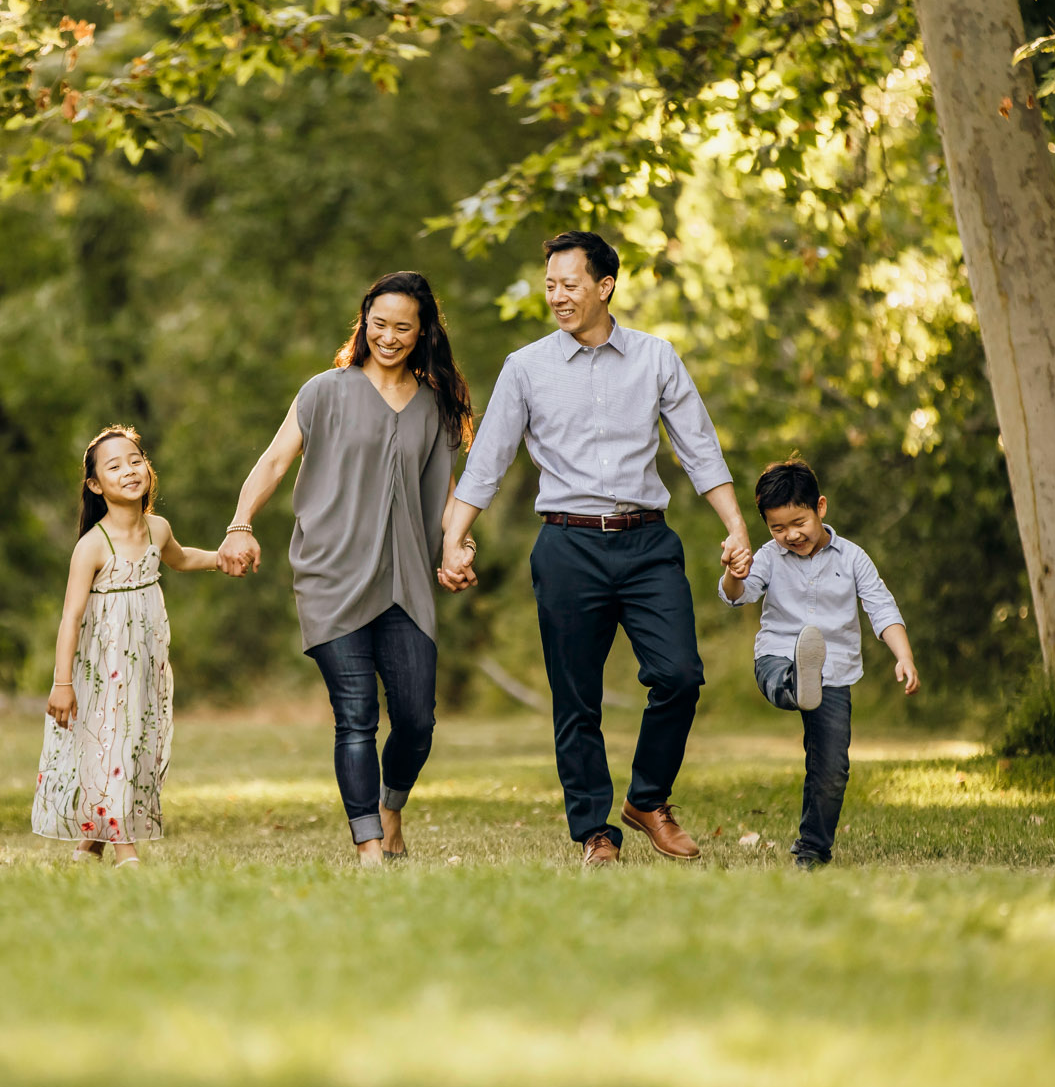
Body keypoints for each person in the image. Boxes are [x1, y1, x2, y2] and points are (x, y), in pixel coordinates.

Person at [438, 231, 754, 867]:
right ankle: (595, 832)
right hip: (566, 546)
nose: (557, 296)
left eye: (569, 284)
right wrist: (454, 536)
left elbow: (698, 447)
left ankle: (647, 801)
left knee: (679, 675)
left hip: (647, 543)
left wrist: (736, 526)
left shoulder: (656, 357)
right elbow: (488, 460)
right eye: (550, 284)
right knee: (575, 696)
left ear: (605, 286)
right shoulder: (526, 367)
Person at [218, 272, 474, 867]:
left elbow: (445, 494)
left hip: (406, 582)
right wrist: (240, 523)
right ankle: (368, 849)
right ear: (365, 323)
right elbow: (275, 461)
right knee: (355, 715)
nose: (388, 337)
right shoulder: (324, 392)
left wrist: (458, 547)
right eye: (378, 324)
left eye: (402, 327)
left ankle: (390, 807)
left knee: (416, 719)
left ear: (422, 331)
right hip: (330, 576)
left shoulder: (434, 405)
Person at [34, 426, 223, 867]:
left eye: (135, 460)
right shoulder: (92, 547)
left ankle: (91, 845)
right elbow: (71, 618)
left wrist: (221, 559)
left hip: (145, 664)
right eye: (114, 466)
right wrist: (63, 683)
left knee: (135, 743)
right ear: (96, 485)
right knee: (110, 742)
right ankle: (125, 852)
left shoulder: (157, 528)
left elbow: (180, 558)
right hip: (104, 666)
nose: (129, 471)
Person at [721, 457, 920, 871]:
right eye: (778, 528)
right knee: (781, 678)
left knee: (831, 770)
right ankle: (796, 681)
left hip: (833, 674)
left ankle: (811, 852)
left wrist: (903, 655)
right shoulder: (769, 557)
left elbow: (881, 608)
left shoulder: (852, 558)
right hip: (778, 656)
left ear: (821, 508)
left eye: (799, 522)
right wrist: (733, 573)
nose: (790, 535)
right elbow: (738, 594)